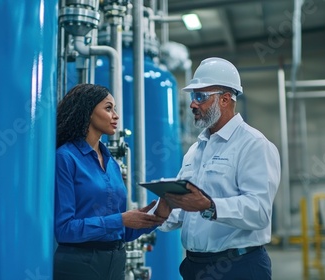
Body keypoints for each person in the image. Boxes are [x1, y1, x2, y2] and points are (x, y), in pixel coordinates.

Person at [154, 57, 281, 280]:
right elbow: (186, 207)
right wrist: (160, 213)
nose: (193, 104)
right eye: (193, 96)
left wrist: (210, 206)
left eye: (200, 97)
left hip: (238, 268)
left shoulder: (253, 145)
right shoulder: (196, 150)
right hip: (194, 267)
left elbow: (259, 211)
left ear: (224, 99)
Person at [54, 84, 165, 280]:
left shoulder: (112, 163)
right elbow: (64, 230)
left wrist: (153, 217)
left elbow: (122, 232)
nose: (116, 116)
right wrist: (121, 219)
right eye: (108, 108)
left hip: (115, 262)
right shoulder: (66, 158)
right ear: (88, 112)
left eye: (115, 109)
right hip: (79, 264)